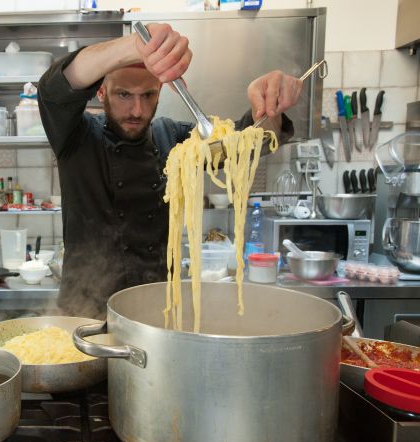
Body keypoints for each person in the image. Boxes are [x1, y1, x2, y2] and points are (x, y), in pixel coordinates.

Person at [38, 23, 302, 319]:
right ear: (101, 91)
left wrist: (269, 107)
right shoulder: (76, 138)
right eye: (124, 94)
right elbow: (53, 91)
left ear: (161, 90)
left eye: (148, 95)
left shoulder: (173, 138)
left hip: (157, 310)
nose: (137, 110)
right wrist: (133, 47)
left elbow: (248, 144)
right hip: (85, 313)